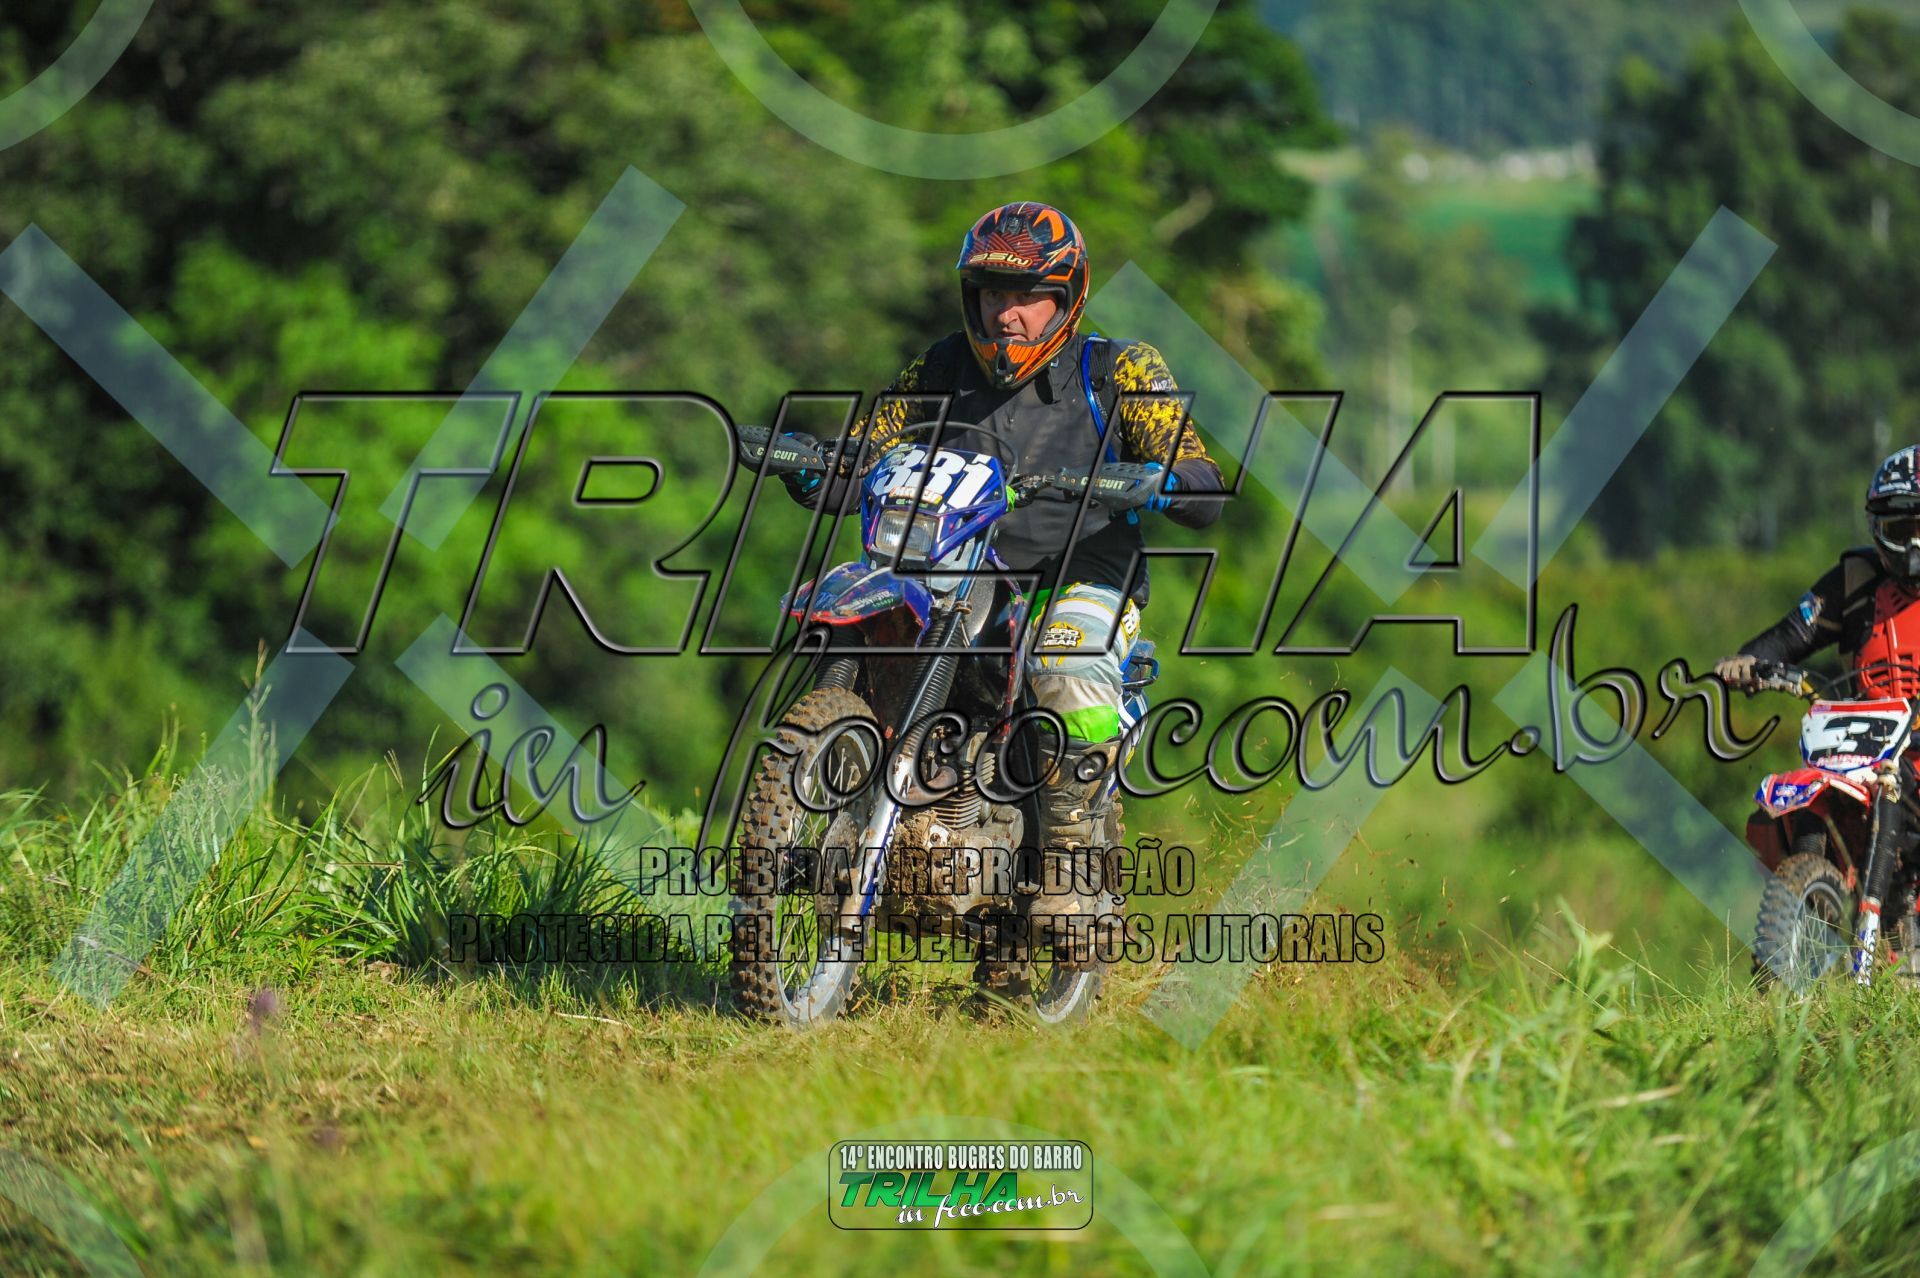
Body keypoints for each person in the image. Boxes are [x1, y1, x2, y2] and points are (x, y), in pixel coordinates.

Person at [782, 200, 1225, 867]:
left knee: (1068, 665)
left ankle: (1069, 865)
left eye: (1026, 297)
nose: (1005, 314)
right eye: (992, 294)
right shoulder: (939, 368)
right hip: (951, 575)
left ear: (1066, 299)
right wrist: (812, 468)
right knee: (866, 621)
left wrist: (1161, 481)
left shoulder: (1120, 370)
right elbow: (868, 456)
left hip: (1077, 580)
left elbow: (1201, 477)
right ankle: (826, 818)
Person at [1715, 446, 1920, 697]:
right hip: (1868, 723)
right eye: (1900, 531)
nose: (1915, 547)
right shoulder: (1855, 579)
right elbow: (1786, 638)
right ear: (1876, 528)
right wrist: (1748, 662)